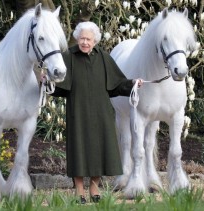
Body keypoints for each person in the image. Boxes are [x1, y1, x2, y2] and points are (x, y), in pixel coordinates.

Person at [48, 21, 143, 204]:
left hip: (101, 114)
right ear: (77, 38)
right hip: (78, 112)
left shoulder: (104, 57)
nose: (85, 42)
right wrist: (48, 82)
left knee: (101, 150)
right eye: (82, 38)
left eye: (88, 39)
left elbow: (117, 85)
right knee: (79, 151)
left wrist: (133, 83)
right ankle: (79, 190)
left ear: (95, 41)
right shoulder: (68, 56)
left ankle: (94, 187)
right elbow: (59, 87)